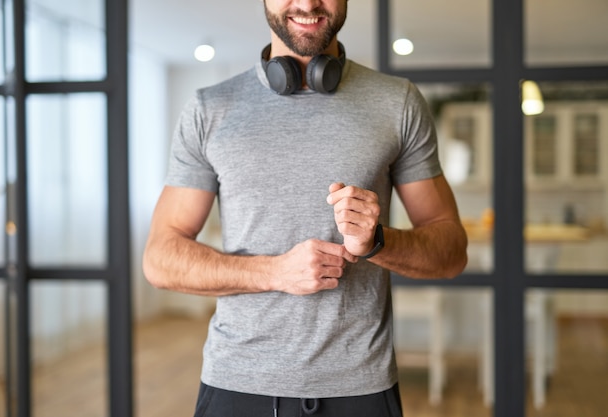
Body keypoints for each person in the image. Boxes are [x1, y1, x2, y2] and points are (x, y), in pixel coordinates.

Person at [143, 0, 468, 416]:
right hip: (237, 384)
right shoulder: (210, 109)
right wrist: (274, 272)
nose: (308, 2)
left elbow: (451, 250)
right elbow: (160, 258)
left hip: (361, 388)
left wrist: (377, 241)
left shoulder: (398, 103)